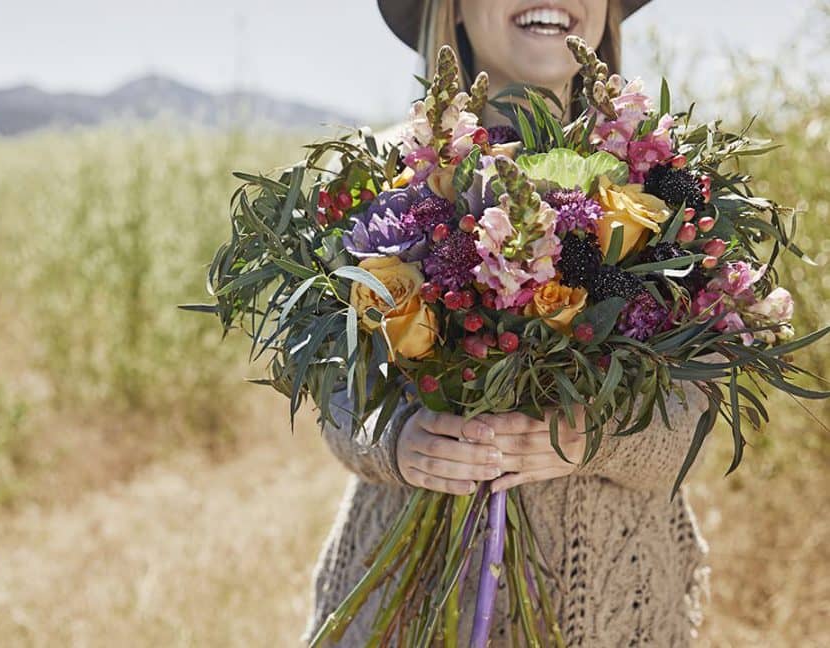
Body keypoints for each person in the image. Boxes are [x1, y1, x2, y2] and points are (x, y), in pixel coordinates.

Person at [304, 1, 712, 646]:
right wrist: (399, 439)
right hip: (405, 609)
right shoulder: (380, 170)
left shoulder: (665, 181)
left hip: (611, 605)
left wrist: (593, 436)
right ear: (454, 11)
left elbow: (698, 408)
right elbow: (332, 388)